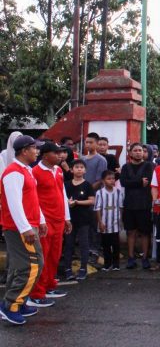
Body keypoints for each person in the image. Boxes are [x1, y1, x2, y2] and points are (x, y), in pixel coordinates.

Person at [0, 135, 47, 325]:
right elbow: (13, 204)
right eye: (34, 148)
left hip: (28, 225)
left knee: (24, 266)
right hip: (19, 228)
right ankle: (11, 305)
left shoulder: (26, 170)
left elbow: (32, 200)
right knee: (32, 266)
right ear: (24, 150)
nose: (37, 151)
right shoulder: (13, 172)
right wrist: (26, 228)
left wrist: (41, 220)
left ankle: (19, 302)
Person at [26, 143, 72, 307]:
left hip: (59, 219)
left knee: (54, 254)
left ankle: (49, 286)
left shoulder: (58, 171)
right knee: (42, 257)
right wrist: (41, 220)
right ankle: (37, 293)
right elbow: (33, 199)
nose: (60, 155)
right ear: (45, 155)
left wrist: (67, 217)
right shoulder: (34, 172)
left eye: (61, 152)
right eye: (56, 152)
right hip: (45, 221)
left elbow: (63, 193)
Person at [120, 143, 154, 270]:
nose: (138, 152)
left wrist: (133, 183)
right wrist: (139, 182)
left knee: (145, 233)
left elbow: (149, 181)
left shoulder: (149, 166)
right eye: (136, 150)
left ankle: (145, 258)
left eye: (141, 150)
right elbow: (123, 182)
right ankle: (130, 258)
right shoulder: (125, 167)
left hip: (144, 204)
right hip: (129, 204)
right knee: (130, 232)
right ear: (130, 153)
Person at [62, 159, 95, 281]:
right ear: (71, 170)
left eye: (81, 167)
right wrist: (68, 203)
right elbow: (61, 199)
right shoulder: (66, 184)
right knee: (69, 245)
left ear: (85, 170)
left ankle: (83, 269)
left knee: (83, 244)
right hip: (69, 219)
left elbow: (92, 200)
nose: (79, 169)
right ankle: (67, 269)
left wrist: (77, 202)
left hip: (84, 219)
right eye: (77, 167)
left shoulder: (87, 185)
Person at [94, 170, 124, 271]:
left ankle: (116, 264)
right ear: (103, 181)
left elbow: (120, 207)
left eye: (113, 179)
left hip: (115, 222)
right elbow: (97, 208)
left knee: (116, 244)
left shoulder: (118, 192)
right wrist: (100, 222)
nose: (111, 181)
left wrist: (120, 220)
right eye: (109, 179)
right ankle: (107, 264)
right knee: (106, 245)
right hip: (104, 223)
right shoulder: (100, 193)